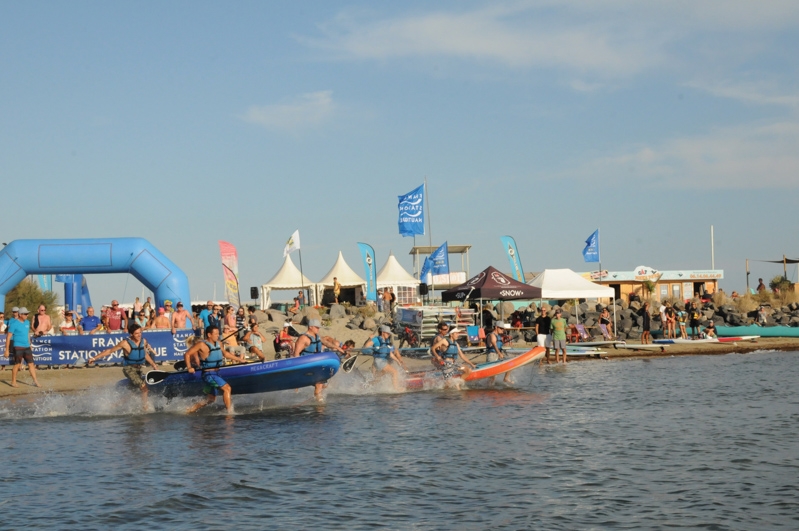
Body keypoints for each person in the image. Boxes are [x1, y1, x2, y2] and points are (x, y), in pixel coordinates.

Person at [88, 323, 159, 410]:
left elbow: (144, 354)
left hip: (138, 369)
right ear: (131, 334)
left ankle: (113, 406)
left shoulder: (143, 341)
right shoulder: (125, 343)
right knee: (144, 388)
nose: (139, 335)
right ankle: (145, 408)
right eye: (136, 333)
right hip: (129, 369)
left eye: (140, 332)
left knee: (133, 392)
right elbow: (109, 351)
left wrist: (153, 364)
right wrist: (94, 358)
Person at [184, 325, 248, 414]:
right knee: (227, 388)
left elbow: (225, 354)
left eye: (218, 333)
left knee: (211, 399)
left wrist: (240, 359)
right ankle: (229, 412)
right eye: (216, 334)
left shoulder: (219, 343)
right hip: (209, 374)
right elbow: (187, 354)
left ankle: (190, 409)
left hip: (216, 373)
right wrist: (189, 367)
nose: (218, 335)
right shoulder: (201, 344)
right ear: (209, 335)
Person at [293, 319, 345, 402]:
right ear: (310, 327)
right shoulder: (303, 338)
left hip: (316, 364)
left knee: (320, 383)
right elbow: (296, 353)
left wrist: (338, 348)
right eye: (317, 327)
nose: (318, 329)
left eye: (319, 328)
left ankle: (318, 402)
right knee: (319, 383)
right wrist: (297, 370)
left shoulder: (317, 337)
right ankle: (318, 402)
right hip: (306, 364)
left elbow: (326, 343)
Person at [363, 325, 407, 391]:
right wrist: (370, 338)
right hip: (379, 361)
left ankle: (366, 386)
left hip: (382, 362)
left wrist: (398, 361)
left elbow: (390, 354)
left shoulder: (386, 342)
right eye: (388, 333)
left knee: (378, 379)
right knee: (394, 372)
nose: (389, 335)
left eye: (389, 334)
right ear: (383, 332)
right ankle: (396, 389)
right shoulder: (376, 339)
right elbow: (366, 346)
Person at [5, 307, 40, 388]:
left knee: (31, 364)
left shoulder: (27, 322)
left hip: (27, 346)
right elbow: (8, 336)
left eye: (27, 314)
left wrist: (30, 344)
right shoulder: (14, 324)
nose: (27, 315)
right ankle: (13, 381)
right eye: (25, 314)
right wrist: (6, 350)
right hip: (18, 346)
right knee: (17, 364)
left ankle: (35, 381)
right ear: (20, 315)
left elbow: (27, 334)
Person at [486, 321, 512, 385]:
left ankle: (506, 378)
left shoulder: (499, 336)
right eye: (501, 328)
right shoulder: (492, 335)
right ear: (496, 327)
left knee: (510, 364)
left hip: (498, 355)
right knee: (493, 376)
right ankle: (488, 387)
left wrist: (500, 352)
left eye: (503, 328)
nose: (502, 330)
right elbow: (494, 344)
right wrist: (499, 353)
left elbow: (499, 345)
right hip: (492, 356)